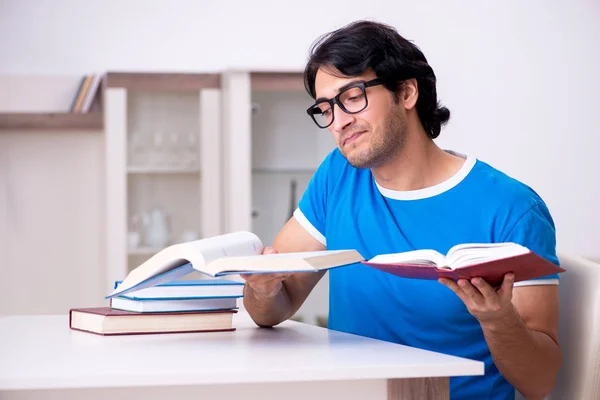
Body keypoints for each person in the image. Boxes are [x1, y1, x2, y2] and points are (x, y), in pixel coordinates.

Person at [242, 20, 562, 400]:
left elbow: (539, 383)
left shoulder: (512, 208)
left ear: (407, 92)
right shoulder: (337, 176)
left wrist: (497, 321)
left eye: (352, 96)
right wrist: (261, 291)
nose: (339, 121)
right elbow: (273, 308)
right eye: (325, 108)